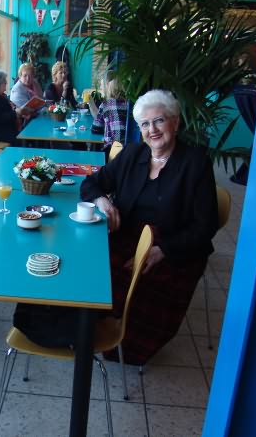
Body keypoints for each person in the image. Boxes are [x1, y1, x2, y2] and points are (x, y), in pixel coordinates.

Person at [80, 89, 218, 365]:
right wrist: (102, 200)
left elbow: (206, 226)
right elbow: (91, 183)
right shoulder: (133, 154)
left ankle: (124, 343)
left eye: (159, 121)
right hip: (127, 236)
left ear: (175, 123)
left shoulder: (195, 163)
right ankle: (87, 324)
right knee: (88, 264)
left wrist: (163, 249)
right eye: (144, 124)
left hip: (175, 247)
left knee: (129, 281)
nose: (151, 130)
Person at [0, 69, 28, 146]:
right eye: (4, 81)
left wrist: (17, 111)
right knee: (26, 138)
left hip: (9, 132)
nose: (6, 83)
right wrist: (16, 113)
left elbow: (7, 111)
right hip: (2, 136)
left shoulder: (0, 96)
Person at [90, 78, 128, 161]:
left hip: (112, 150)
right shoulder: (130, 103)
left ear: (109, 87)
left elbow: (95, 129)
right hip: (130, 151)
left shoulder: (106, 104)